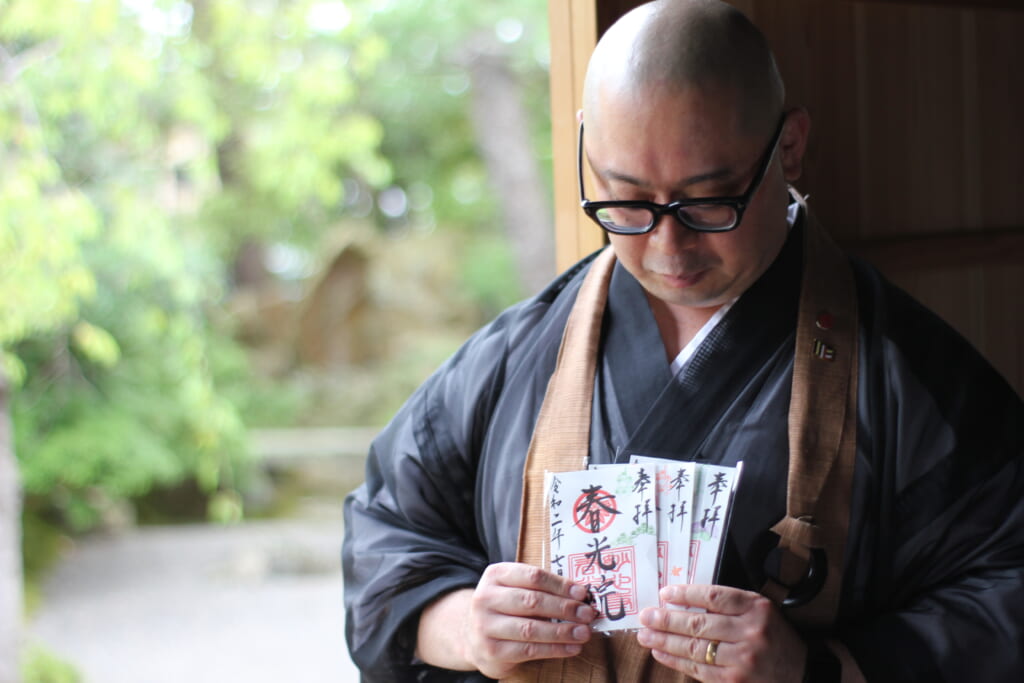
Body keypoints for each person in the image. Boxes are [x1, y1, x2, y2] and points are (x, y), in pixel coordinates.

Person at [342, 1, 1024, 681]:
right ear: (586, 148)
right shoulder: (519, 353)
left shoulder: (903, 370)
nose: (668, 245)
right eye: (627, 200)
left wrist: (817, 667)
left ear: (788, 148)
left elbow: (1006, 586)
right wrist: (461, 624)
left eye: (706, 201)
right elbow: (387, 532)